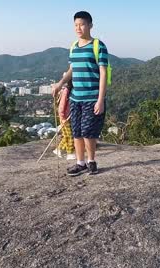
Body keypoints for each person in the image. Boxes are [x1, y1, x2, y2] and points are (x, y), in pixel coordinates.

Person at [52, 10, 109, 176]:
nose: (79, 28)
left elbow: (103, 73)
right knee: (76, 131)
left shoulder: (98, 46)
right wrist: (60, 83)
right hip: (75, 98)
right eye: (76, 25)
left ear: (90, 25)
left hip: (92, 97)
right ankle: (80, 163)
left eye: (82, 24)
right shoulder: (73, 47)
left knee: (88, 132)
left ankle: (91, 161)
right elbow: (72, 69)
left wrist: (100, 100)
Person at [53, 77, 77, 160]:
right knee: (70, 135)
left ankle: (59, 149)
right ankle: (70, 153)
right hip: (64, 118)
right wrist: (62, 117)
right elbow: (62, 105)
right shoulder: (66, 91)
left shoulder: (71, 91)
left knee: (66, 135)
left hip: (68, 116)